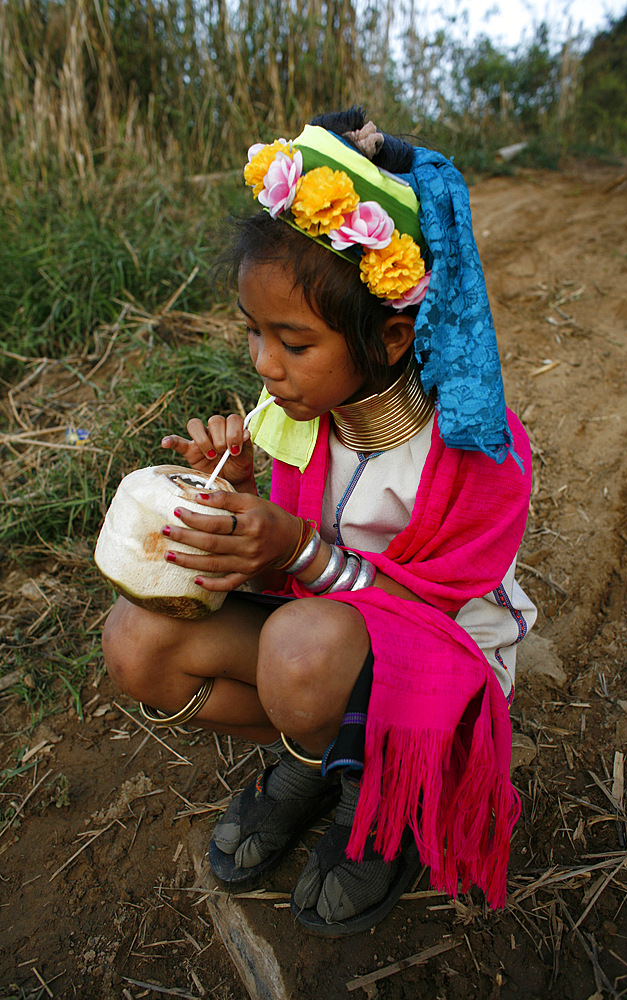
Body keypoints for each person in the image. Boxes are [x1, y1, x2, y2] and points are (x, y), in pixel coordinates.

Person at [102, 108, 536, 937]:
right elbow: (287, 561)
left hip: (439, 663)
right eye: (254, 334)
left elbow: (432, 614)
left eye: (292, 343)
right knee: (136, 641)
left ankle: (387, 797)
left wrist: (294, 546)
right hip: (318, 640)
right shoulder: (301, 417)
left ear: (393, 333)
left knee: (301, 651)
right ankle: (311, 760)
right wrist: (229, 497)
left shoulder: (476, 453)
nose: (264, 365)